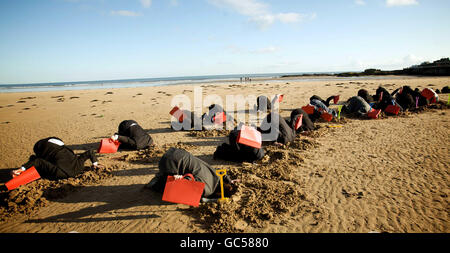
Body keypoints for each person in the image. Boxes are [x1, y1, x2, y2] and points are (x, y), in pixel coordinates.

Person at [146, 148, 238, 199]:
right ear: (219, 194)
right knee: (170, 189)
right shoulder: (208, 190)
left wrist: (230, 180)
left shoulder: (217, 175)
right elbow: (189, 182)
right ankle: (156, 182)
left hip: (177, 152)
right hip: (169, 163)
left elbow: (224, 174)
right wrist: (180, 178)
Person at [11, 137, 100, 181]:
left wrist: (21, 168)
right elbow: (90, 152)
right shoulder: (66, 151)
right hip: (77, 168)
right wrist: (95, 164)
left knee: (37, 161)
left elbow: (37, 161)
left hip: (60, 173)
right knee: (39, 161)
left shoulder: (45, 149)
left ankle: (22, 170)